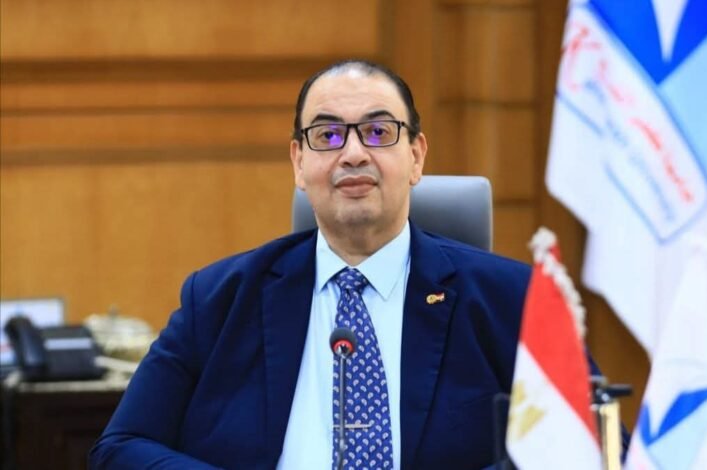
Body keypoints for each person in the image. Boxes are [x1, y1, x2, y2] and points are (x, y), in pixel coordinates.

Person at [90, 60, 539, 469]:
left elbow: (575, 445)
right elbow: (120, 447)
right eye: (328, 136)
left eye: (378, 132)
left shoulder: (511, 299)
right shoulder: (218, 299)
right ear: (299, 163)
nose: (354, 153)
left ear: (416, 156)